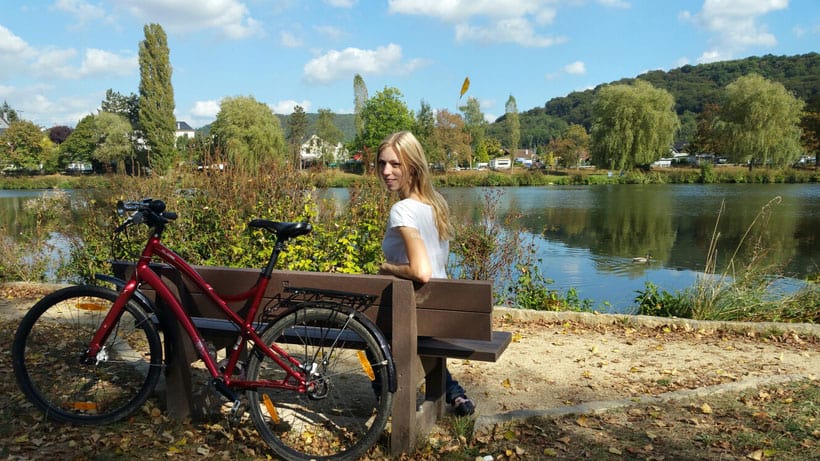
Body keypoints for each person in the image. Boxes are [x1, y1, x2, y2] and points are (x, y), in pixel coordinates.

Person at [376, 130, 475, 417]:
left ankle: (383, 398)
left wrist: (387, 268)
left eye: (396, 164)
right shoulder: (436, 204)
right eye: (382, 163)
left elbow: (421, 270)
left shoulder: (402, 210)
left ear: (414, 166)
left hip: (416, 308)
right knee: (414, 340)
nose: (386, 171)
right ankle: (454, 394)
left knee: (367, 333)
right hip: (439, 308)